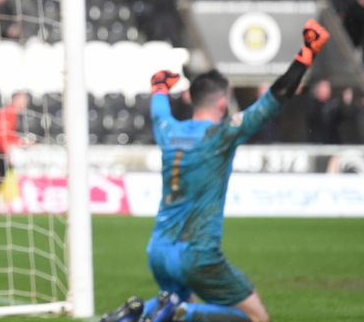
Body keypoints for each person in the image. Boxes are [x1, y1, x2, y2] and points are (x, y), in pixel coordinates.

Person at [100, 19, 330, 322]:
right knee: (257, 318)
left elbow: (158, 108)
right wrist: (307, 52)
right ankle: (184, 313)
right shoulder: (222, 135)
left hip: (158, 250)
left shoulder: (168, 130)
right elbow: (276, 97)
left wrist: (159, 85)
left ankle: (133, 313)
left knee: (169, 304)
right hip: (196, 253)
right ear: (223, 102)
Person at [0, 91, 30, 209]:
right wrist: (6, 151)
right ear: (15, 100)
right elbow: (1, 134)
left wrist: (20, 141)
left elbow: (8, 135)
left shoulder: (13, 113)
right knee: (3, 172)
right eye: (22, 100)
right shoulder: (9, 112)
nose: (25, 103)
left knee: (4, 172)